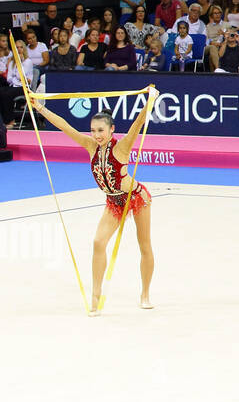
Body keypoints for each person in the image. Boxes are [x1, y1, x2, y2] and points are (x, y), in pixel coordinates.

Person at [27, 91, 160, 315]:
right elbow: (65, 127)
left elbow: (138, 123)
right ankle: (96, 297)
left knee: (144, 245)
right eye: (93, 130)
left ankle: (145, 294)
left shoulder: (122, 148)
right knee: (98, 242)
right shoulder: (90, 147)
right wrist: (39, 107)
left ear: (111, 130)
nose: (96, 135)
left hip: (136, 198)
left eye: (101, 130)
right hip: (114, 202)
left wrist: (150, 101)